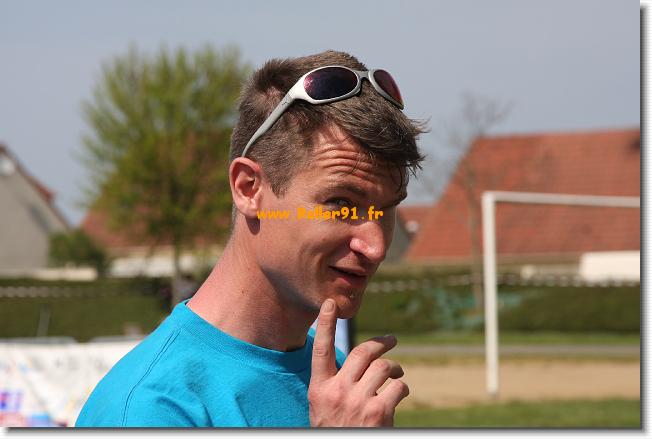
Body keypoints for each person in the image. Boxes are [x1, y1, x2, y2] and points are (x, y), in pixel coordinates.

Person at [75, 50, 425, 427]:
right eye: (341, 203)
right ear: (249, 189)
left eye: (387, 208)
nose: (375, 246)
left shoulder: (333, 383)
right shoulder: (149, 411)